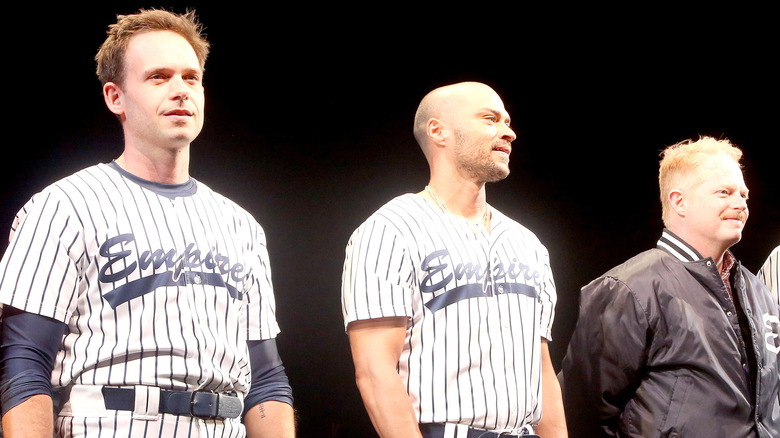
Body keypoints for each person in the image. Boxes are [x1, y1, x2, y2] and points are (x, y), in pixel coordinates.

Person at [0, 9, 295, 438]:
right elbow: (24, 359)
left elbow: (266, 377)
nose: (180, 91)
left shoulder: (242, 225)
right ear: (114, 97)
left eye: (191, 78)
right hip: (108, 424)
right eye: (158, 77)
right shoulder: (64, 205)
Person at [341, 81, 568, 438]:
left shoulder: (528, 244)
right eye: (490, 119)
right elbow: (374, 370)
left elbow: (540, 366)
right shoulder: (391, 230)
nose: (508, 132)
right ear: (438, 131)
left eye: (507, 121)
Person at [562, 136, 780, 437]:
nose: (740, 203)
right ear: (679, 202)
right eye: (724, 192)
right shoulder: (629, 288)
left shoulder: (759, 292)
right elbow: (579, 413)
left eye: (743, 195)